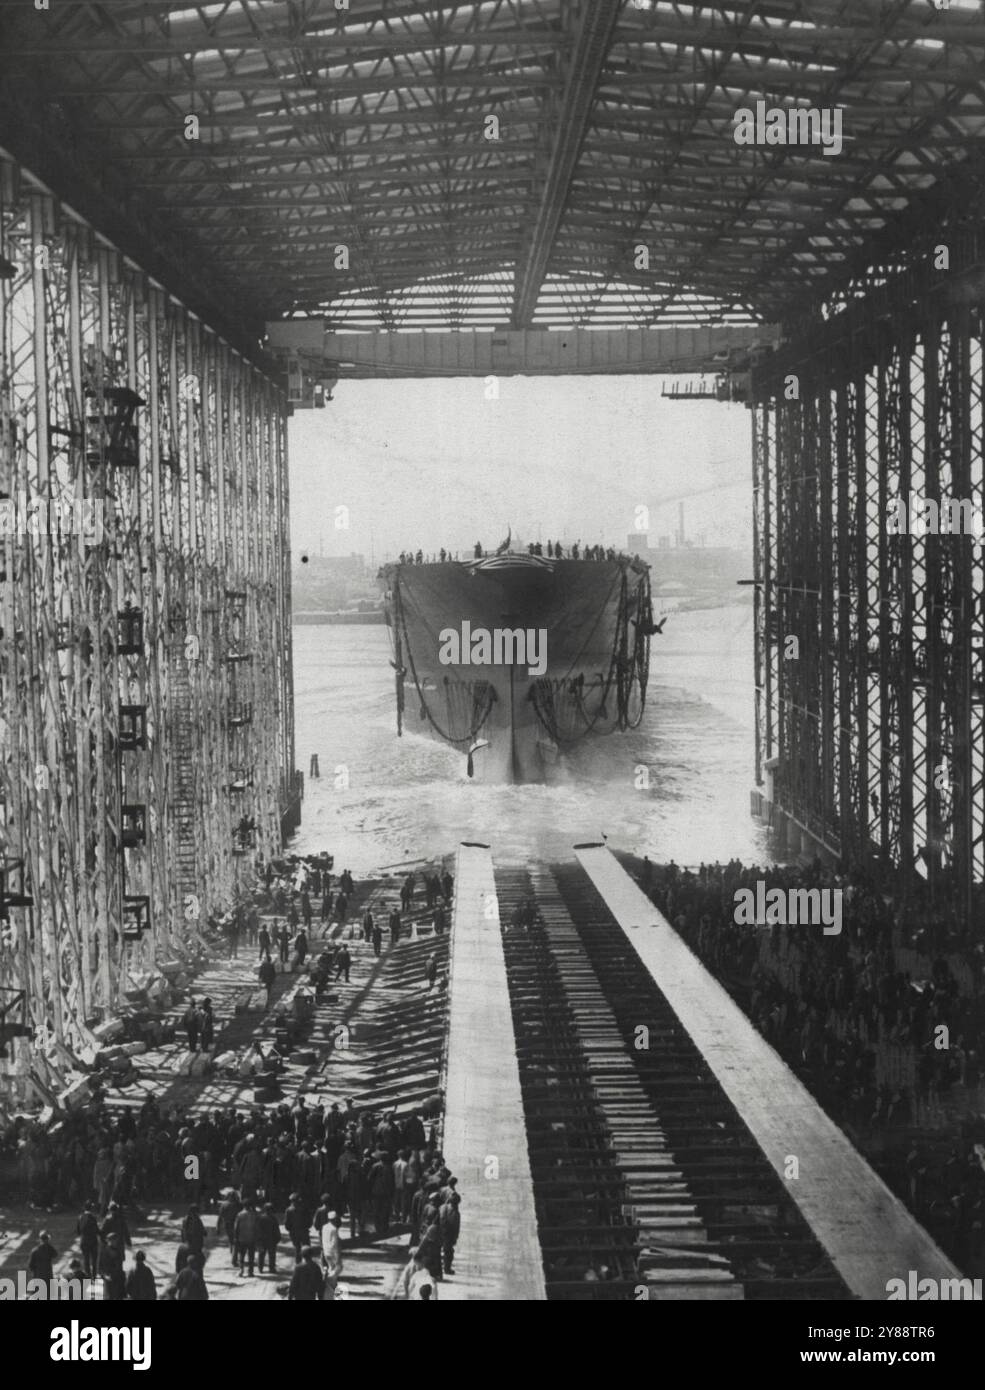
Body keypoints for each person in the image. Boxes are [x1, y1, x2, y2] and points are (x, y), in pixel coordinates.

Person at [320, 1212, 343, 1297]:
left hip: (326, 1251)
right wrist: (338, 1256)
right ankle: (331, 1289)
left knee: (331, 1268)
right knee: (336, 1271)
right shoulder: (334, 1229)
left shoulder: (324, 1227)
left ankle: (332, 1287)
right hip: (333, 1252)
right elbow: (335, 1243)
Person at [234, 1200, 258, 1277]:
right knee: (251, 1256)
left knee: (241, 1255)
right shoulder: (254, 1215)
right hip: (252, 1238)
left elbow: (236, 1227)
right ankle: (250, 1272)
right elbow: (257, 1227)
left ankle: (241, 1271)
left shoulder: (240, 1214)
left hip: (242, 1238)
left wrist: (235, 1237)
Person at [439, 1191, 461, 1274]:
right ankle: (447, 1269)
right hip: (448, 1235)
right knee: (449, 1253)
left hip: (439, 1232)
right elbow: (456, 1227)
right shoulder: (456, 1213)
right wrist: (455, 1237)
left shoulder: (442, 1207)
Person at [77, 1201, 100, 1278]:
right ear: (91, 1208)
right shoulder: (93, 1217)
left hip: (84, 1241)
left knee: (86, 1259)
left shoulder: (80, 1217)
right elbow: (97, 1230)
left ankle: (88, 1275)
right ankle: (94, 1275)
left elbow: (78, 1231)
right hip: (93, 1241)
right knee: (94, 1260)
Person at [256, 1203, 280, 1273]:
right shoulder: (273, 1218)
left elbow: (257, 1229)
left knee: (261, 1254)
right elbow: (276, 1230)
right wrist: (277, 1238)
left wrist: (257, 1239)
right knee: (272, 1255)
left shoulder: (260, 1217)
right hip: (271, 1239)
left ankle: (260, 1268)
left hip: (262, 1239)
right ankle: (271, 1268)